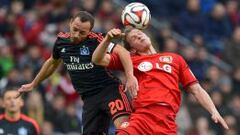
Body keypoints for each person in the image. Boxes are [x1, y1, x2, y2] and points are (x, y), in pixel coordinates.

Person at [17, 11, 138, 134]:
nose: (76, 35)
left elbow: (123, 52)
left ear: (90, 31)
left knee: (125, 128)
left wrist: (130, 76)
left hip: (109, 91)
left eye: (82, 33)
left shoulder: (96, 39)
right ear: (70, 23)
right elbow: (52, 62)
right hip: (89, 98)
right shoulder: (61, 41)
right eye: (75, 29)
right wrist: (34, 83)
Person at [92, 27, 229, 135]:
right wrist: (108, 39)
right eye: (134, 37)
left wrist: (213, 110)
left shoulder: (175, 59)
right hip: (142, 118)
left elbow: (196, 89)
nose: (139, 36)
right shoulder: (131, 60)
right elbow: (97, 59)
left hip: (167, 121)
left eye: (140, 33)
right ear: (132, 49)